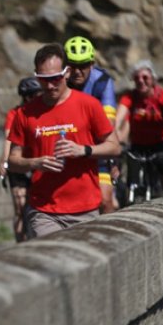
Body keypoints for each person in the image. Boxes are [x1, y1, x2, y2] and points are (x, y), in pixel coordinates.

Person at [7, 44, 120, 238]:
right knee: (51, 263)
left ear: (66, 73)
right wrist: (35, 162)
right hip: (43, 210)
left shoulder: (89, 105)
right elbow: (13, 160)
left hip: (86, 208)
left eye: (55, 79)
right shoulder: (25, 113)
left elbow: (115, 147)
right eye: (44, 80)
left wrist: (84, 150)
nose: (50, 85)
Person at [113, 60, 163, 195]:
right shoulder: (129, 97)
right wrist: (112, 142)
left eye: (145, 77)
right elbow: (118, 120)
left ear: (153, 79)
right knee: (131, 185)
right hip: (138, 146)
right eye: (136, 78)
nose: (141, 81)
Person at [64, 36, 119, 212]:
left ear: (92, 65)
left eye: (83, 66)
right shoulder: (59, 82)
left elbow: (108, 125)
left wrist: (113, 159)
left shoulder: (102, 81)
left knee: (105, 200)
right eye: (72, 65)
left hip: (95, 147)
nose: (77, 71)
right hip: (67, 145)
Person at [0, 77, 42, 242]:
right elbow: (8, 138)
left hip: (38, 162)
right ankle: (20, 242)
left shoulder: (41, 112)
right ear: (27, 97)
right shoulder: (15, 113)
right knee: (20, 206)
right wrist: (4, 161)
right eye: (34, 95)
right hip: (19, 164)